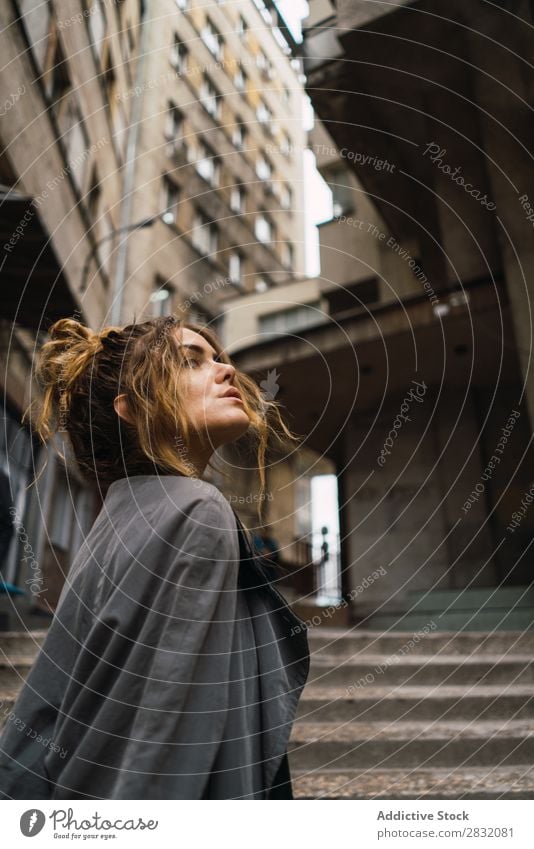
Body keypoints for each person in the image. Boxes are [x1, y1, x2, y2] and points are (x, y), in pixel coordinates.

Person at [0, 315, 310, 800]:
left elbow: (45, 706)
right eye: (192, 361)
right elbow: (171, 723)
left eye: (219, 359)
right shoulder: (196, 510)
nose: (227, 371)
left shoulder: (125, 515)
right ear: (131, 408)